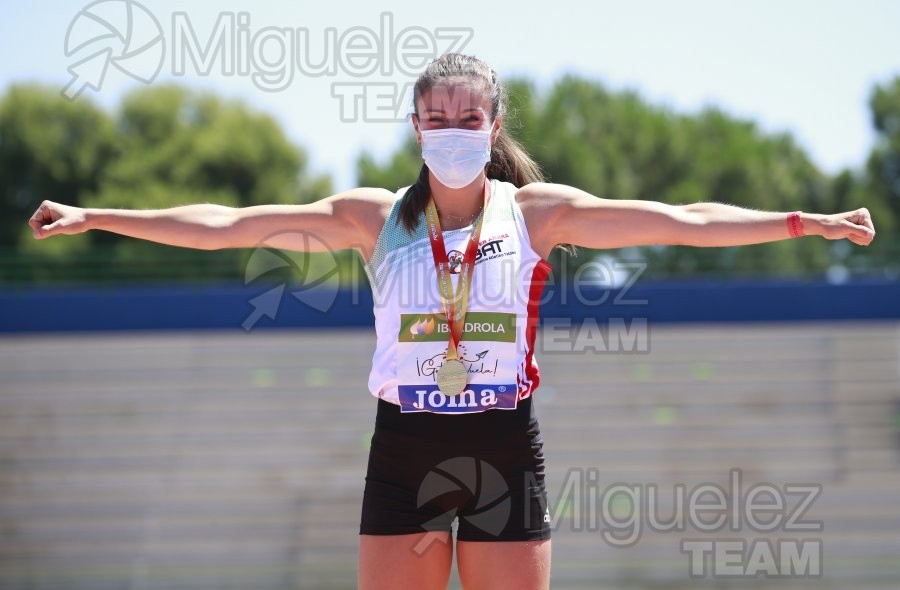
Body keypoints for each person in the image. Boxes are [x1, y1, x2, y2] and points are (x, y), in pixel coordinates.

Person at [28, 53, 875, 590]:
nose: (453, 133)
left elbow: (682, 220)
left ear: (493, 126)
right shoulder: (373, 218)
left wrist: (807, 223)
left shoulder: (537, 214)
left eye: (469, 120)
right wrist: (101, 215)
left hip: (504, 440)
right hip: (404, 443)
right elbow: (230, 224)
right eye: (436, 120)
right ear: (415, 127)